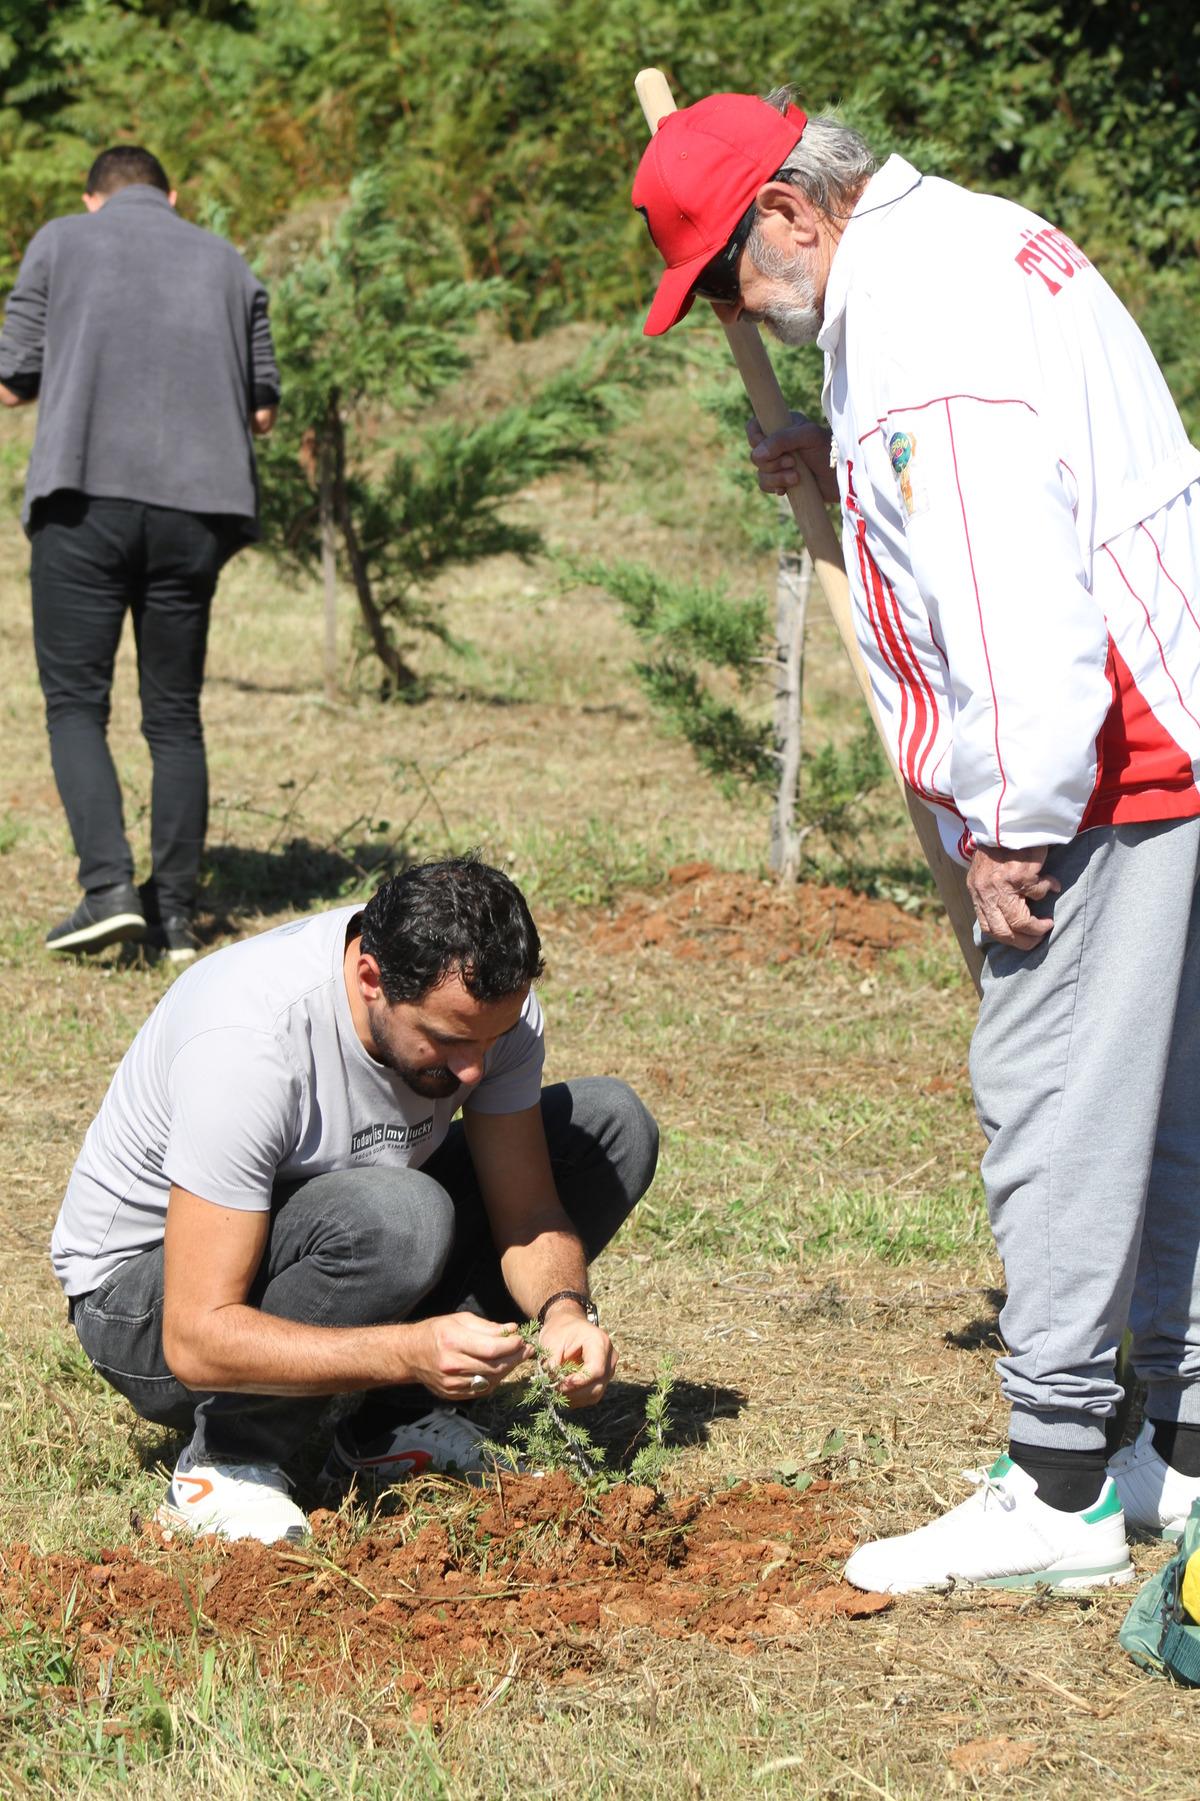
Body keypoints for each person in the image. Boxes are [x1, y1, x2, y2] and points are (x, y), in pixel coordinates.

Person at [633, 90, 1200, 1592]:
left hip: (1098, 765)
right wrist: (846, 469)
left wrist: (1008, 820)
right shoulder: (967, 246)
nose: (723, 317)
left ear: (789, 216)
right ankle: (1182, 1455)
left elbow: (1009, 582)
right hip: (1165, 725)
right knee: (1164, 1107)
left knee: (1053, 1102)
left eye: (723, 283)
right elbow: (983, 494)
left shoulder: (922, 337)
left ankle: (1063, 1481)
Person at [50, 854, 659, 1544]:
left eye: (491, 1039)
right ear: (371, 978)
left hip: (339, 1226)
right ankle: (225, 1460)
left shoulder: (485, 1018)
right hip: (143, 1303)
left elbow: (527, 1213)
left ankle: (390, 1426)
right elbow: (193, 1337)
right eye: (449, 1040)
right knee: (399, 1217)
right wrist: (406, 1349)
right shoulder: (249, 1038)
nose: (474, 1069)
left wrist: (562, 1311)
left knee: (610, 1126)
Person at [0, 144, 280, 961]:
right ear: (172, 196)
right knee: (173, 714)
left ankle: (107, 891)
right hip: (198, 513)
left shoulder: (59, 239)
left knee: (77, 703)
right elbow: (262, 413)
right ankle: (177, 918)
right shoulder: (228, 260)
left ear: (93, 199)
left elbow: (13, 379)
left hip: (84, 499)